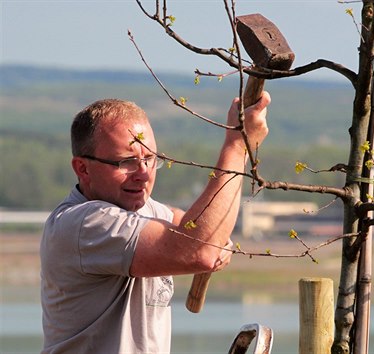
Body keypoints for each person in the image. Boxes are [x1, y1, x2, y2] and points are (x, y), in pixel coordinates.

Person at [40, 92, 271, 353]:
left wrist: (215, 240)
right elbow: (200, 249)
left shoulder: (144, 210)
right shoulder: (82, 223)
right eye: (126, 162)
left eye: (150, 159)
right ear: (83, 169)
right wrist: (237, 145)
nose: (143, 174)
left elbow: (198, 232)